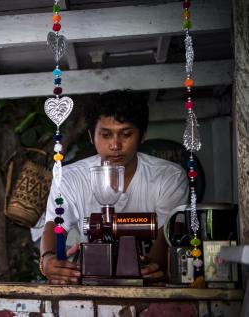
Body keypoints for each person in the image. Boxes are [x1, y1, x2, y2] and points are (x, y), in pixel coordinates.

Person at [40, 91, 189, 284]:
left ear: (142, 136)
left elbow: (168, 232)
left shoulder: (169, 176)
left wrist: (152, 267)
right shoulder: (69, 177)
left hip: (149, 288)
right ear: (91, 136)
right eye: (106, 134)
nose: (115, 145)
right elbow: (55, 225)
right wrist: (48, 259)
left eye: (126, 134)